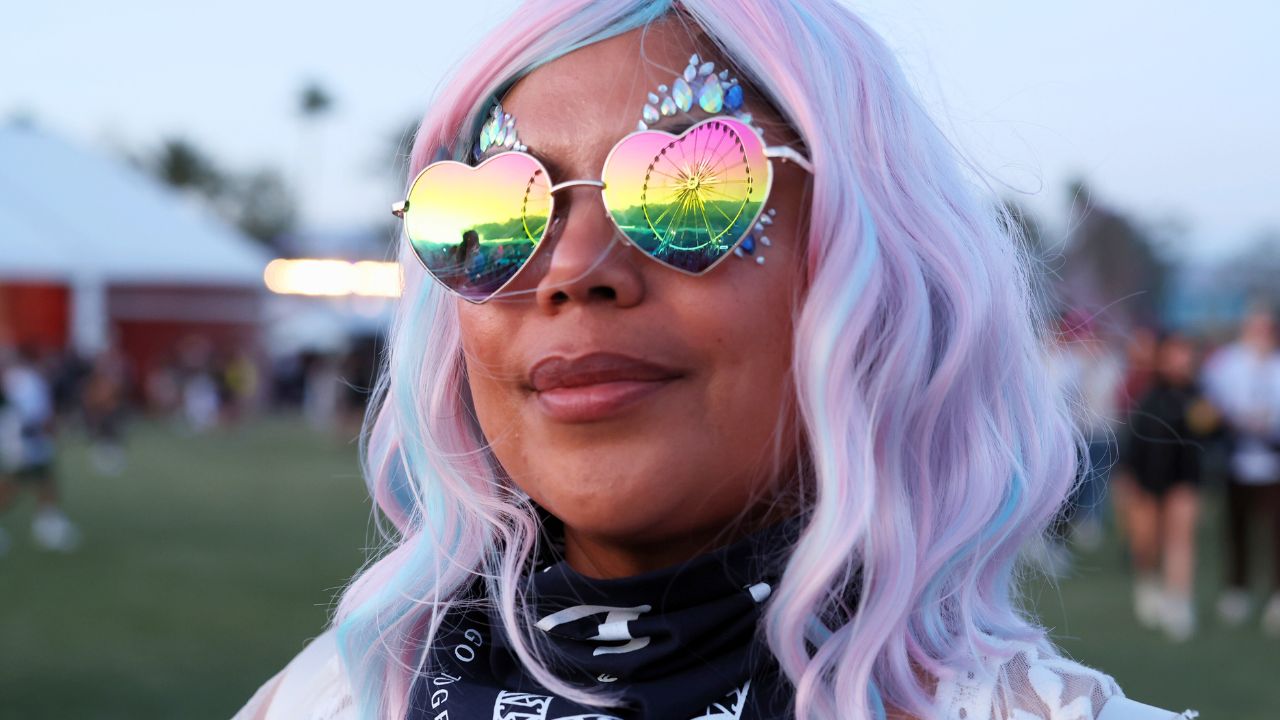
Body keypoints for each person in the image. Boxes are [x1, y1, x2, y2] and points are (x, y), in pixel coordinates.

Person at [237, 2, 1188, 718]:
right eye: (490, 214)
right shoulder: (336, 695)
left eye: (692, 188)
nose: (570, 271)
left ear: (873, 267)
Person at [1120, 331, 1218, 641]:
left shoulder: (1200, 395)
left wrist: (1216, 425)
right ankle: (1147, 583)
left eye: (1187, 353)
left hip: (1184, 477)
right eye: (1176, 353)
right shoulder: (1148, 395)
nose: (1182, 360)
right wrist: (1127, 479)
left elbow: (1214, 436)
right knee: (1146, 542)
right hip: (1147, 477)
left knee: (1181, 538)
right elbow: (1132, 442)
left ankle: (1179, 602)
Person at [1201, 304, 1280, 636]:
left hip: (1274, 460)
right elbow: (1210, 402)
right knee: (1236, 526)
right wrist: (1236, 420)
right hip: (1237, 459)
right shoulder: (1226, 363)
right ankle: (1237, 589)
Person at [0, 346, 80, 552]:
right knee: (12, 486)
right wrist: (50, 430)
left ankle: (47, 523)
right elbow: (32, 415)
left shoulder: (19, 379)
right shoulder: (27, 381)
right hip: (25, 443)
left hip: (22, 441)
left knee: (44, 481)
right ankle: (47, 525)